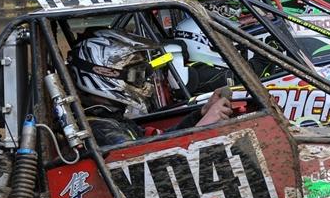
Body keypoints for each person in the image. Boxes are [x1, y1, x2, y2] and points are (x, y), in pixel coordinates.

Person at [68, 28, 233, 146]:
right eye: (136, 75)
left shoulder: (111, 118)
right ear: (101, 73)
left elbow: (156, 143)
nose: (143, 82)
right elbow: (151, 168)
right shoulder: (102, 131)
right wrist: (203, 127)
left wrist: (200, 115)